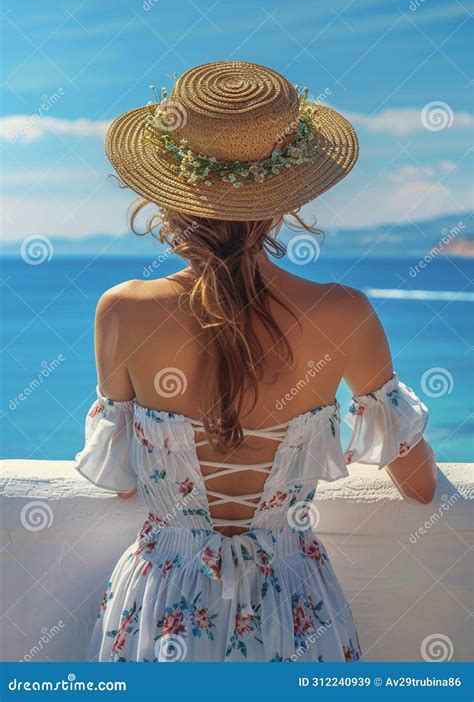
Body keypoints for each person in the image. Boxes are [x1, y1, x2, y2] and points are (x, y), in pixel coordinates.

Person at [74, 61, 436, 662]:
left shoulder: (123, 311)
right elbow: (418, 484)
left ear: (171, 194)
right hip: (295, 604)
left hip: (161, 600)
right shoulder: (344, 311)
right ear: (286, 198)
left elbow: (119, 484)